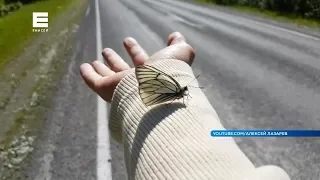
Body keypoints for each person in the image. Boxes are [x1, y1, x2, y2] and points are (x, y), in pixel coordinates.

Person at [80, 32, 291, 180]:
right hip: (152, 90)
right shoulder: (175, 90)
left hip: (148, 94)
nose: (185, 92)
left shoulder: (178, 91)